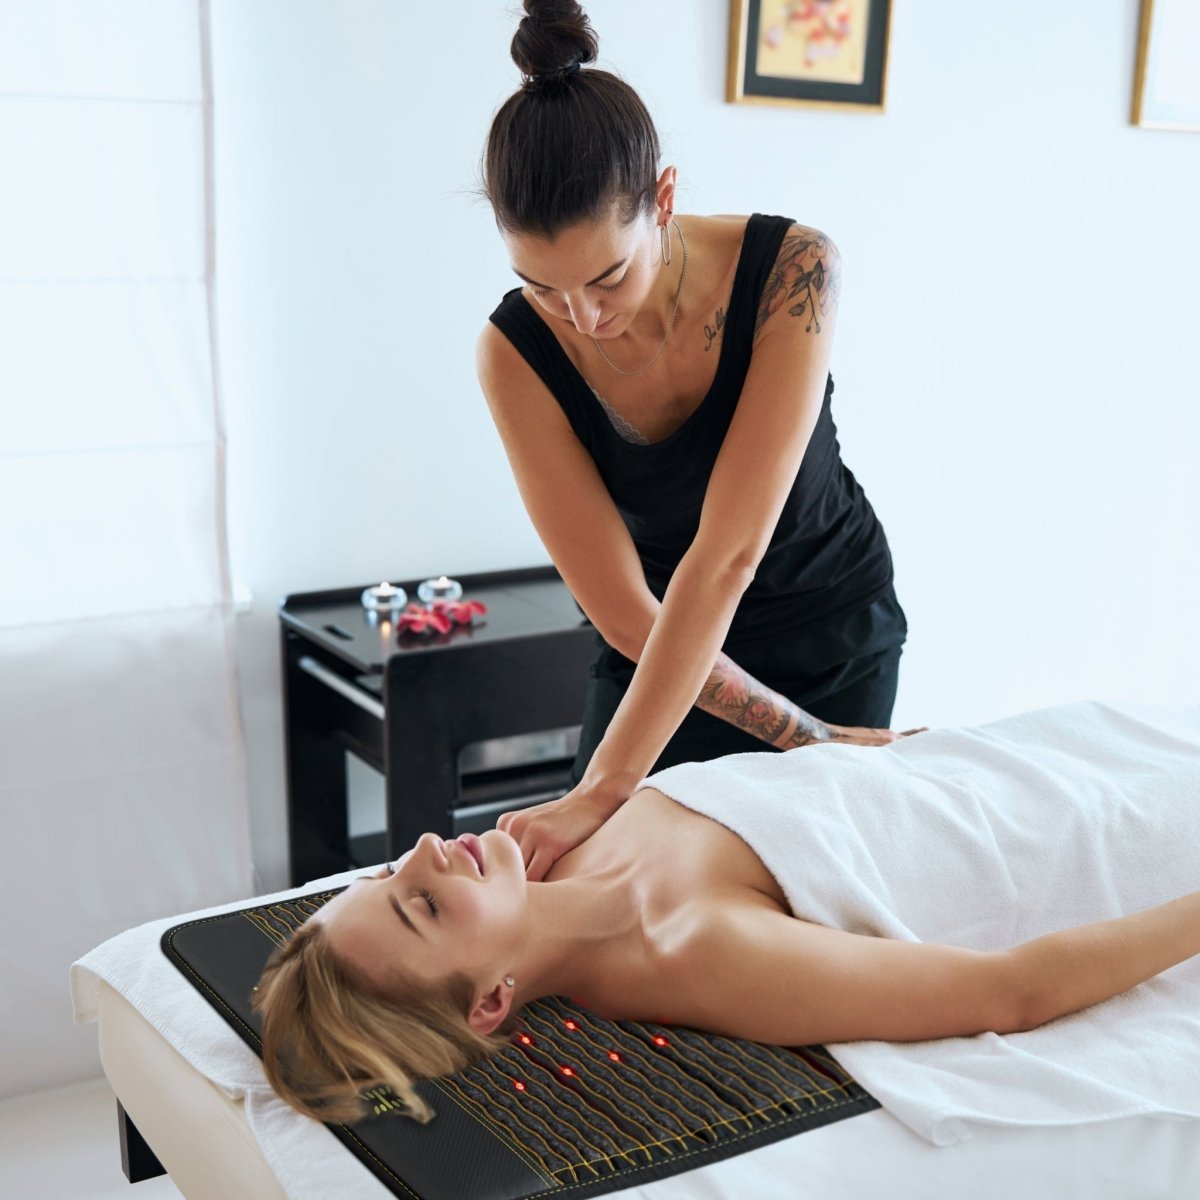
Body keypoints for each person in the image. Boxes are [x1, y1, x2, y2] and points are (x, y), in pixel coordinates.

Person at [253, 701, 1200, 1127]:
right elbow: (1012, 991)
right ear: (491, 1002)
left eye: (381, 880)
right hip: (1100, 832)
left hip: (1028, 751)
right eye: (422, 906)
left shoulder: (560, 839)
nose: (421, 852)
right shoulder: (695, 954)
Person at [476, 0, 918, 882]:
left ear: (663, 200)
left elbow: (725, 557)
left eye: (608, 276)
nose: (584, 317)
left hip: (828, 631)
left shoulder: (794, 272)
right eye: (543, 287)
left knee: (794, 898)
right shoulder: (513, 354)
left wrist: (822, 738)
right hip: (654, 653)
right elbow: (629, 610)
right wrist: (607, 788)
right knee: (585, 885)